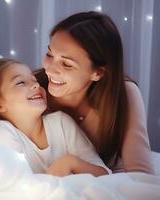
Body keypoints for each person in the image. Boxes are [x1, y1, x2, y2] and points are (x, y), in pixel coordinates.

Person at [35, 11, 154, 174]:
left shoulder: (123, 94)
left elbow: (141, 173)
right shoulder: (30, 89)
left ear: (98, 73)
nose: (50, 69)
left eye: (67, 64)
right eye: (49, 54)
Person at [0, 58, 111, 177]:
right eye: (21, 83)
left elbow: (104, 174)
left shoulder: (61, 123)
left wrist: (71, 163)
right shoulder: (2, 131)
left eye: (34, 80)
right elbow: (17, 183)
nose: (36, 85)